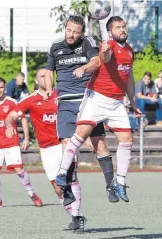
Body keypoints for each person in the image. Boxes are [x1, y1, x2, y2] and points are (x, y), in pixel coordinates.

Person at [54, 16, 142, 204]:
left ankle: (120, 182)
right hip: (97, 98)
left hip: (116, 102)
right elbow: (103, 57)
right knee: (80, 135)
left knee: (127, 139)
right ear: (110, 32)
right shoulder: (107, 45)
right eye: (118, 27)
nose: (122, 29)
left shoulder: (129, 51)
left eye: (123, 26)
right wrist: (105, 52)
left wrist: (133, 101)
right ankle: (61, 174)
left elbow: (130, 78)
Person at [45, 15, 118, 208]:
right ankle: (67, 190)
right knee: (67, 147)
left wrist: (84, 68)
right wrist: (47, 89)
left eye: (75, 32)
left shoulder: (87, 42)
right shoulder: (55, 47)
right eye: (69, 30)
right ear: (65, 28)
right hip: (66, 104)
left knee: (99, 144)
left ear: (82, 32)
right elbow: (48, 72)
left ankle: (111, 185)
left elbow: (97, 62)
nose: (71, 35)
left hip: (88, 102)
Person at [5, 68, 85, 232]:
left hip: (64, 143)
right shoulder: (30, 99)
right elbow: (11, 115)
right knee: (58, 188)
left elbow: (81, 112)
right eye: (42, 76)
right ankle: (74, 216)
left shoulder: (60, 95)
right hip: (46, 149)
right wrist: (8, 125)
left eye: (48, 75)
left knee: (70, 178)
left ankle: (77, 216)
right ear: (36, 80)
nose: (46, 78)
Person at [0, 77, 42, 207]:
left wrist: (26, 138)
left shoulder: (12, 103)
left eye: (1, 87)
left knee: (19, 169)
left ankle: (32, 194)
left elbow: (23, 119)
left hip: (11, 142)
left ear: (5, 88)